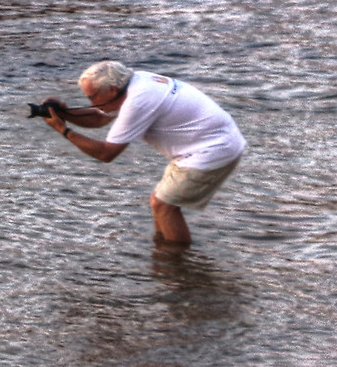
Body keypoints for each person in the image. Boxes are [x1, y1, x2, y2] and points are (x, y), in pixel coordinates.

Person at [38, 60, 246, 246]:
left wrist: (63, 129)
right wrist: (64, 113)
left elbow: (106, 154)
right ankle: (164, 256)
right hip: (213, 141)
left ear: (111, 90)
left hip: (213, 149)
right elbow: (99, 118)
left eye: (92, 97)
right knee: (160, 203)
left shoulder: (138, 100)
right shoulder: (135, 81)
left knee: (165, 206)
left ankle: (176, 267)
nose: (91, 103)